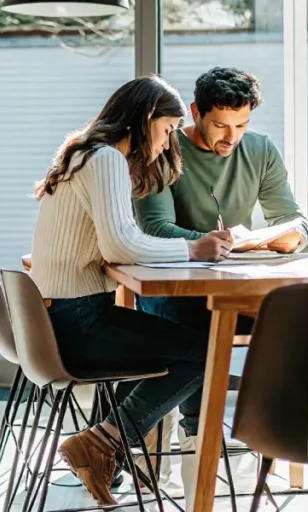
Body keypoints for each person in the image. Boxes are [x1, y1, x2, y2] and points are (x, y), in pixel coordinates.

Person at [29, 75, 232, 505]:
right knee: (205, 352)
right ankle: (101, 444)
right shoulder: (104, 158)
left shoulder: (83, 153)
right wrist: (194, 248)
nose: (167, 142)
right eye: (167, 129)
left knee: (175, 352)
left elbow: (115, 241)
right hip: (77, 322)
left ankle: (103, 446)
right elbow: (120, 242)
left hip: (55, 319)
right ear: (144, 119)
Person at [131, 66, 308, 505]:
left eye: (242, 124)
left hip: (233, 284)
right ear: (196, 112)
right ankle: (195, 452)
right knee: (195, 329)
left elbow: (293, 219)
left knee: (292, 319)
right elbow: (153, 227)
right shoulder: (164, 147)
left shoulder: (260, 150)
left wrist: (288, 235)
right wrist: (206, 243)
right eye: (221, 125)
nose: (232, 137)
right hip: (172, 290)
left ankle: (269, 439)